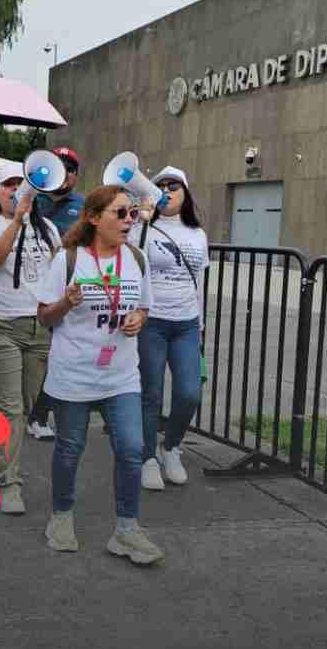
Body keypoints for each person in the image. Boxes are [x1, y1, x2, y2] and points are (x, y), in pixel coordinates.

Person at [36, 185, 164, 566]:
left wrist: (139, 320)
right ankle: (60, 517)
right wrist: (66, 302)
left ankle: (126, 530)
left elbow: (144, 309)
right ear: (94, 218)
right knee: (70, 448)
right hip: (74, 373)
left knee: (130, 448)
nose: (129, 220)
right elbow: (44, 317)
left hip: (121, 376)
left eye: (132, 214)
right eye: (120, 213)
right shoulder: (70, 259)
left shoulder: (137, 259)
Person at [0, 157, 62, 516]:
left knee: (24, 407)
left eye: (21, 183)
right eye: (9, 185)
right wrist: (16, 221)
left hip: (37, 329)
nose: (16, 190)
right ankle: (8, 482)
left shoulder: (49, 230)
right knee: (9, 409)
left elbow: (57, 272)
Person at [130, 166, 208, 490]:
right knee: (151, 394)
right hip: (153, 322)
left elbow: (200, 283)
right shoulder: (143, 226)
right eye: (160, 185)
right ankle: (148, 456)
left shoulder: (198, 234)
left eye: (173, 185)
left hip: (187, 324)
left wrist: (201, 326)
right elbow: (132, 257)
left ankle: (171, 446)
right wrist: (142, 220)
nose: (166, 190)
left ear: (185, 192)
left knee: (189, 392)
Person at [29, 146, 86, 441]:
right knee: (36, 360)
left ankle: (40, 414)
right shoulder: (31, 199)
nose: (66, 173)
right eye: (59, 166)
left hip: (65, 295)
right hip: (28, 290)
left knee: (56, 357)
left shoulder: (84, 205)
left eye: (71, 168)